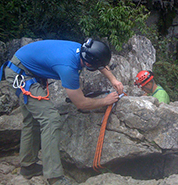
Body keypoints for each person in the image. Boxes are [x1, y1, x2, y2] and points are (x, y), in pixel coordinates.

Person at [0, 38, 123, 185]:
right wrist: (105, 101)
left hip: (25, 66)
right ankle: (55, 178)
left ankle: (28, 167)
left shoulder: (84, 50)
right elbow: (81, 103)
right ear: (89, 64)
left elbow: (99, 63)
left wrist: (114, 80)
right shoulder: (68, 67)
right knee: (51, 119)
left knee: (32, 119)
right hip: (21, 74)